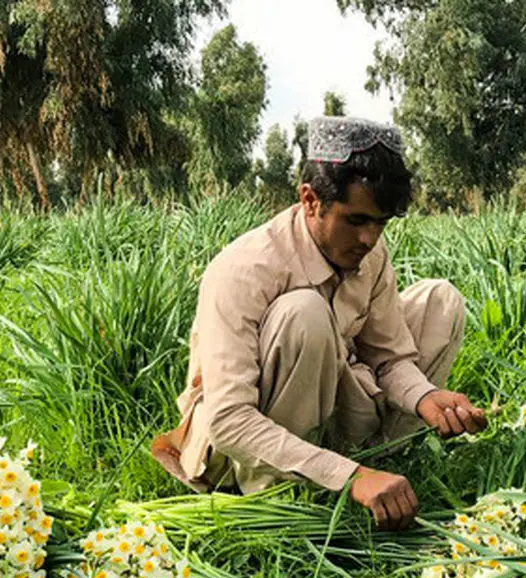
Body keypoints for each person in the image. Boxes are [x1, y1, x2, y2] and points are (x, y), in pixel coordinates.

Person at [152, 116, 486, 529]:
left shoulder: (369, 257)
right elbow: (229, 421)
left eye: (380, 223)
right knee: (304, 313)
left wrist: (425, 397)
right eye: (356, 220)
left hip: (334, 402)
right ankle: (288, 491)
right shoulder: (243, 270)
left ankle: (379, 464)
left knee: (440, 298)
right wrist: (349, 478)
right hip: (245, 449)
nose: (369, 240)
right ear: (310, 200)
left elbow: (390, 358)